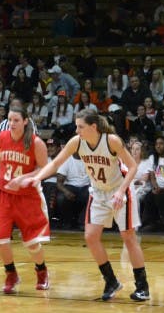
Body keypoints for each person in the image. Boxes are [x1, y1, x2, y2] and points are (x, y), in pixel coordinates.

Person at [10, 110, 150, 301]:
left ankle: (142, 286)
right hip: (99, 192)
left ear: (94, 127)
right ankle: (111, 281)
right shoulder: (76, 142)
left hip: (120, 190)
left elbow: (132, 166)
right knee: (91, 237)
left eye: (80, 126)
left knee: (128, 237)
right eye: (76, 126)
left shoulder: (111, 141)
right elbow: (55, 163)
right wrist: (36, 178)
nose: (77, 130)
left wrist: (120, 191)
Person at [0, 107, 52, 294]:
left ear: (25, 121)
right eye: (10, 120)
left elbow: (44, 168)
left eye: (16, 120)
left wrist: (23, 180)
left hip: (27, 196)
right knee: (0, 240)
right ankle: (11, 273)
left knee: (32, 243)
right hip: (4, 195)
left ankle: (42, 271)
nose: (12, 123)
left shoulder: (36, 143)